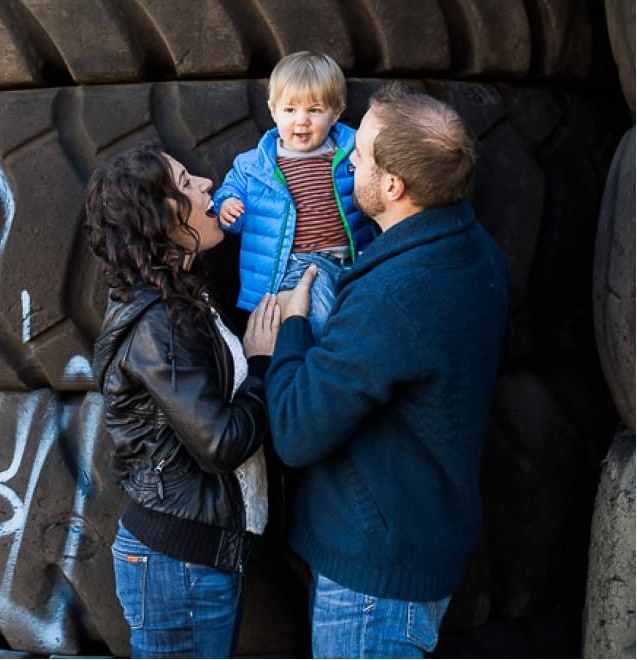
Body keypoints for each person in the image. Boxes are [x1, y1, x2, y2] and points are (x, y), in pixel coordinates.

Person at [265, 85, 511, 658]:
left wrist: (290, 331)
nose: (345, 156)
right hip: (419, 537)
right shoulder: (477, 250)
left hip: (372, 586)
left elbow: (296, 433)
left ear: (394, 186)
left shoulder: (393, 298)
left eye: (361, 155)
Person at [88, 144, 280, 658]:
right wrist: (262, 363)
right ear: (161, 214)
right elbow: (218, 443)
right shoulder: (158, 322)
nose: (206, 185)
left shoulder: (181, 298)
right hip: (179, 566)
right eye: (186, 182)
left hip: (194, 560)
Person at [210, 51, 377, 340]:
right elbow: (229, 195)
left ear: (336, 112)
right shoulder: (254, 166)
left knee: (363, 322)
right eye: (290, 110)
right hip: (294, 267)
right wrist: (228, 207)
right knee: (319, 320)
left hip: (352, 261)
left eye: (314, 110)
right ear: (273, 111)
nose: (302, 121)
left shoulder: (352, 154)